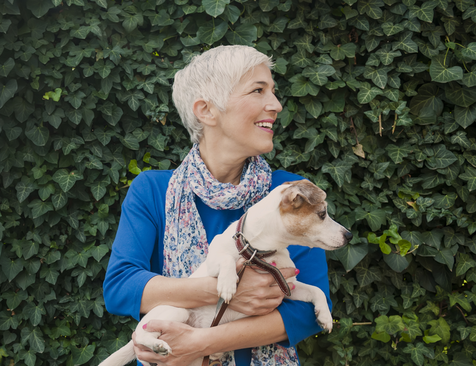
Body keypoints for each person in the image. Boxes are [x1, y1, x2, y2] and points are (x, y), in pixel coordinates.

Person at [102, 45, 331, 366]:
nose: (276, 104)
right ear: (206, 110)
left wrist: (199, 342)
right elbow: (121, 286)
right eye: (258, 90)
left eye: (273, 91)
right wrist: (222, 290)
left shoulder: (289, 195)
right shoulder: (153, 189)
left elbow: (308, 312)